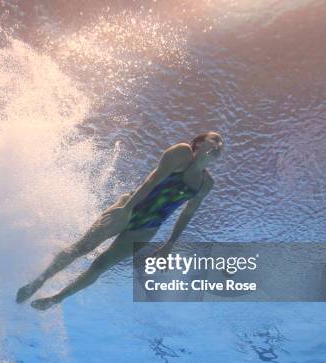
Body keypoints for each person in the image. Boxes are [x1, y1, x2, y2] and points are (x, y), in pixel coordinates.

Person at [16, 131, 224, 310]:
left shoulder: (206, 183)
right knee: (83, 247)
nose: (219, 145)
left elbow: (187, 214)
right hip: (130, 206)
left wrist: (169, 245)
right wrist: (126, 209)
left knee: (100, 266)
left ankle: (56, 298)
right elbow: (152, 180)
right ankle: (37, 282)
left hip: (147, 228)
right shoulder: (182, 153)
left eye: (222, 144)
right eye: (215, 139)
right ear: (198, 143)